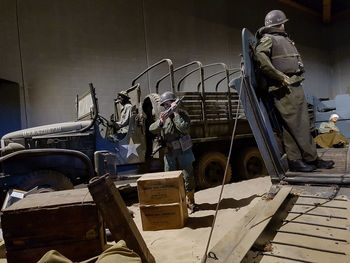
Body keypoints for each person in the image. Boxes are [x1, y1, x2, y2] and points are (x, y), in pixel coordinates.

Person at [255, 10, 334, 172]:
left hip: (292, 84)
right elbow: (261, 58)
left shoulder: (280, 39)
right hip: (285, 87)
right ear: (280, 24)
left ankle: (299, 160)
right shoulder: (269, 39)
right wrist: (279, 76)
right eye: (283, 22)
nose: (284, 25)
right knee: (300, 124)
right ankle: (308, 159)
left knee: (292, 126)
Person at [149, 91, 198, 213]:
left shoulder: (182, 114)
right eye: (164, 105)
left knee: (188, 176)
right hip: (170, 152)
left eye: (168, 104)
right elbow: (152, 129)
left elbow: (184, 128)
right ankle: (174, 202)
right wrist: (161, 121)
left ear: (174, 103)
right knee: (170, 177)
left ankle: (191, 202)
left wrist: (175, 113)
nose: (166, 107)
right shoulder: (163, 117)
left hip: (184, 150)